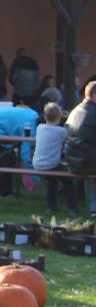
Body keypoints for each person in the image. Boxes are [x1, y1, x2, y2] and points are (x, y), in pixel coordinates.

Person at [0, 96, 38, 198]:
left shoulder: (33, 115)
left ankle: (6, 190)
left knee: (8, 156)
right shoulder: (31, 124)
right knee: (7, 158)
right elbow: (26, 147)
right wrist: (32, 174)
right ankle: (4, 192)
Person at [33, 102, 78, 215]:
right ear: (59, 116)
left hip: (38, 163)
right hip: (51, 164)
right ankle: (72, 208)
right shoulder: (61, 131)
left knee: (52, 180)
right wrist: (67, 118)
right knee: (68, 181)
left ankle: (51, 207)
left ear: (44, 116)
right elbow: (72, 134)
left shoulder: (40, 128)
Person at [65, 79, 96, 217]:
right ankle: (94, 207)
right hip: (87, 161)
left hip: (71, 160)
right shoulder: (93, 112)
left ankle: (88, 203)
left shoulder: (75, 110)